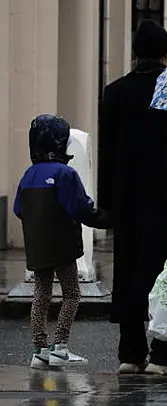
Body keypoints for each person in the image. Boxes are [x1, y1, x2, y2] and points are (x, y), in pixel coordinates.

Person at [98, 20, 167, 375]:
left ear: (135, 53)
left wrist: (106, 203)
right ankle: (163, 355)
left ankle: (131, 352)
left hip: (127, 199)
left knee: (129, 273)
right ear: (165, 53)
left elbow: (107, 152)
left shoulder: (115, 92)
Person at [15, 115, 102, 369]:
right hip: (63, 242)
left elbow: (19, 208)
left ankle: (39, 348)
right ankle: (60, 345)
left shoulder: (28, 174)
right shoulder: (65, 172)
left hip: (37, 244)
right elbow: (80, 207)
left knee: (41, 295)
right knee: (72, 294)